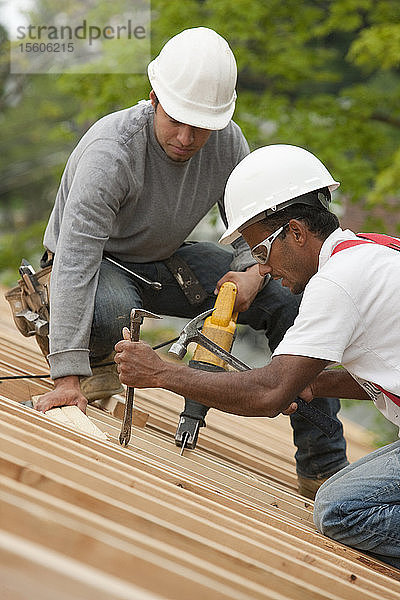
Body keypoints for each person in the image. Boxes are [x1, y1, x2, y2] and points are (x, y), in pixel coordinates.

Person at [35, 28, 347, 498]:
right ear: (154, 97)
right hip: (98, 264)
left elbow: (256, 229)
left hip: (164, 260)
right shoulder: (111, 154)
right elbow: (75, 262)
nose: (186, 138)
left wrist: (252, 271)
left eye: (201, 126)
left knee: (286, 299)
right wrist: (65, 378)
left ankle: (322, 465)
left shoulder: (226, 143)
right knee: (118, 316)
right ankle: (96, 365)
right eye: (176, 120)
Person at [114, 143, 400, 568]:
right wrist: (314, 382)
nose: (262, 270)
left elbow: (267, 394)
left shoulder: (337, 283)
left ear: (297, 233)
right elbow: (387, 371)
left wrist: (159, 374)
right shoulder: (372, 251)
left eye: (262, 252)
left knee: (340, 509)